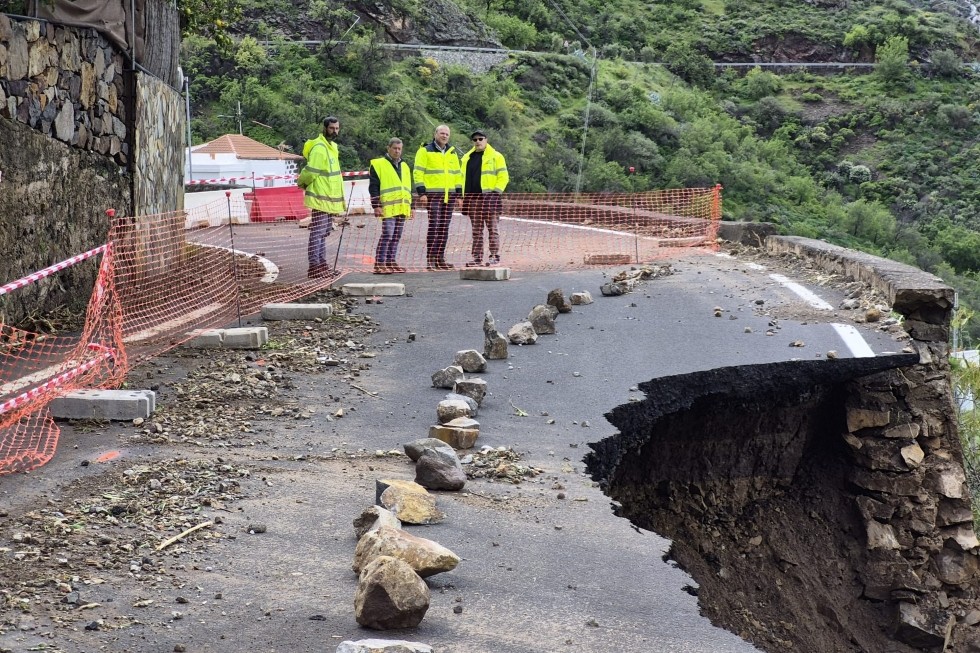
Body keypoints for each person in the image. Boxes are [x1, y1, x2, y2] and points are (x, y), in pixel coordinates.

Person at [297, 116, 345, 279]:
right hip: (320, 197)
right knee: (318, 232)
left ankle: (322, 264)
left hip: (329, 199)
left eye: (337, 128)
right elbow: (311, 171)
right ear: (324, 128)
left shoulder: (332, 147)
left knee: (323, 232)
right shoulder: (319, 148)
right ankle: (314, 266)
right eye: (332, 128)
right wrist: (302, 183)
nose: (335, 131)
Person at [413, 125, 462, 270]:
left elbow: (457, 175)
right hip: (433, 196)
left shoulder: (452, 153)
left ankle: (440, 258)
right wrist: (422, 193)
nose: (444, 136)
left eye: (447, 134)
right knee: (434, 226)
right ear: (435, 134)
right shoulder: (424, 151)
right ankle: (430, 258)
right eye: (442, 133)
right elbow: (418, 172)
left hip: (450, 196)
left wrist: (459, 195)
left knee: (444, 227)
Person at [460, 129, 509, 267]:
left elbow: (503, 177)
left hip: (490, 198)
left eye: (480, 139)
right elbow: (462, 178)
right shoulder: (467, 158)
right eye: (475, 140)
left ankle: (494, 255)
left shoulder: (496, 156)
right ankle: (477, 258)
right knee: (476, 231)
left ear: (486, 140)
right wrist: (462, 197)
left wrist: (495, 194)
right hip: (473, 199)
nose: (478, 142)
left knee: (492, 228)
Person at [368, 138, 412, 275]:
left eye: (399, 149)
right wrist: (376, 205)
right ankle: (379, 263)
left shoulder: (404, 166)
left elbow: (408, 187)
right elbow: (373, 187)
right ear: (388, 148)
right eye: (394, 148)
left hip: (402, 207)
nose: (397, 151)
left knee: (396, 235)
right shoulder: (378, 164)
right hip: (387, 207)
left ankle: (390, 261)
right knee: (387, 234)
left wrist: (412, 207)